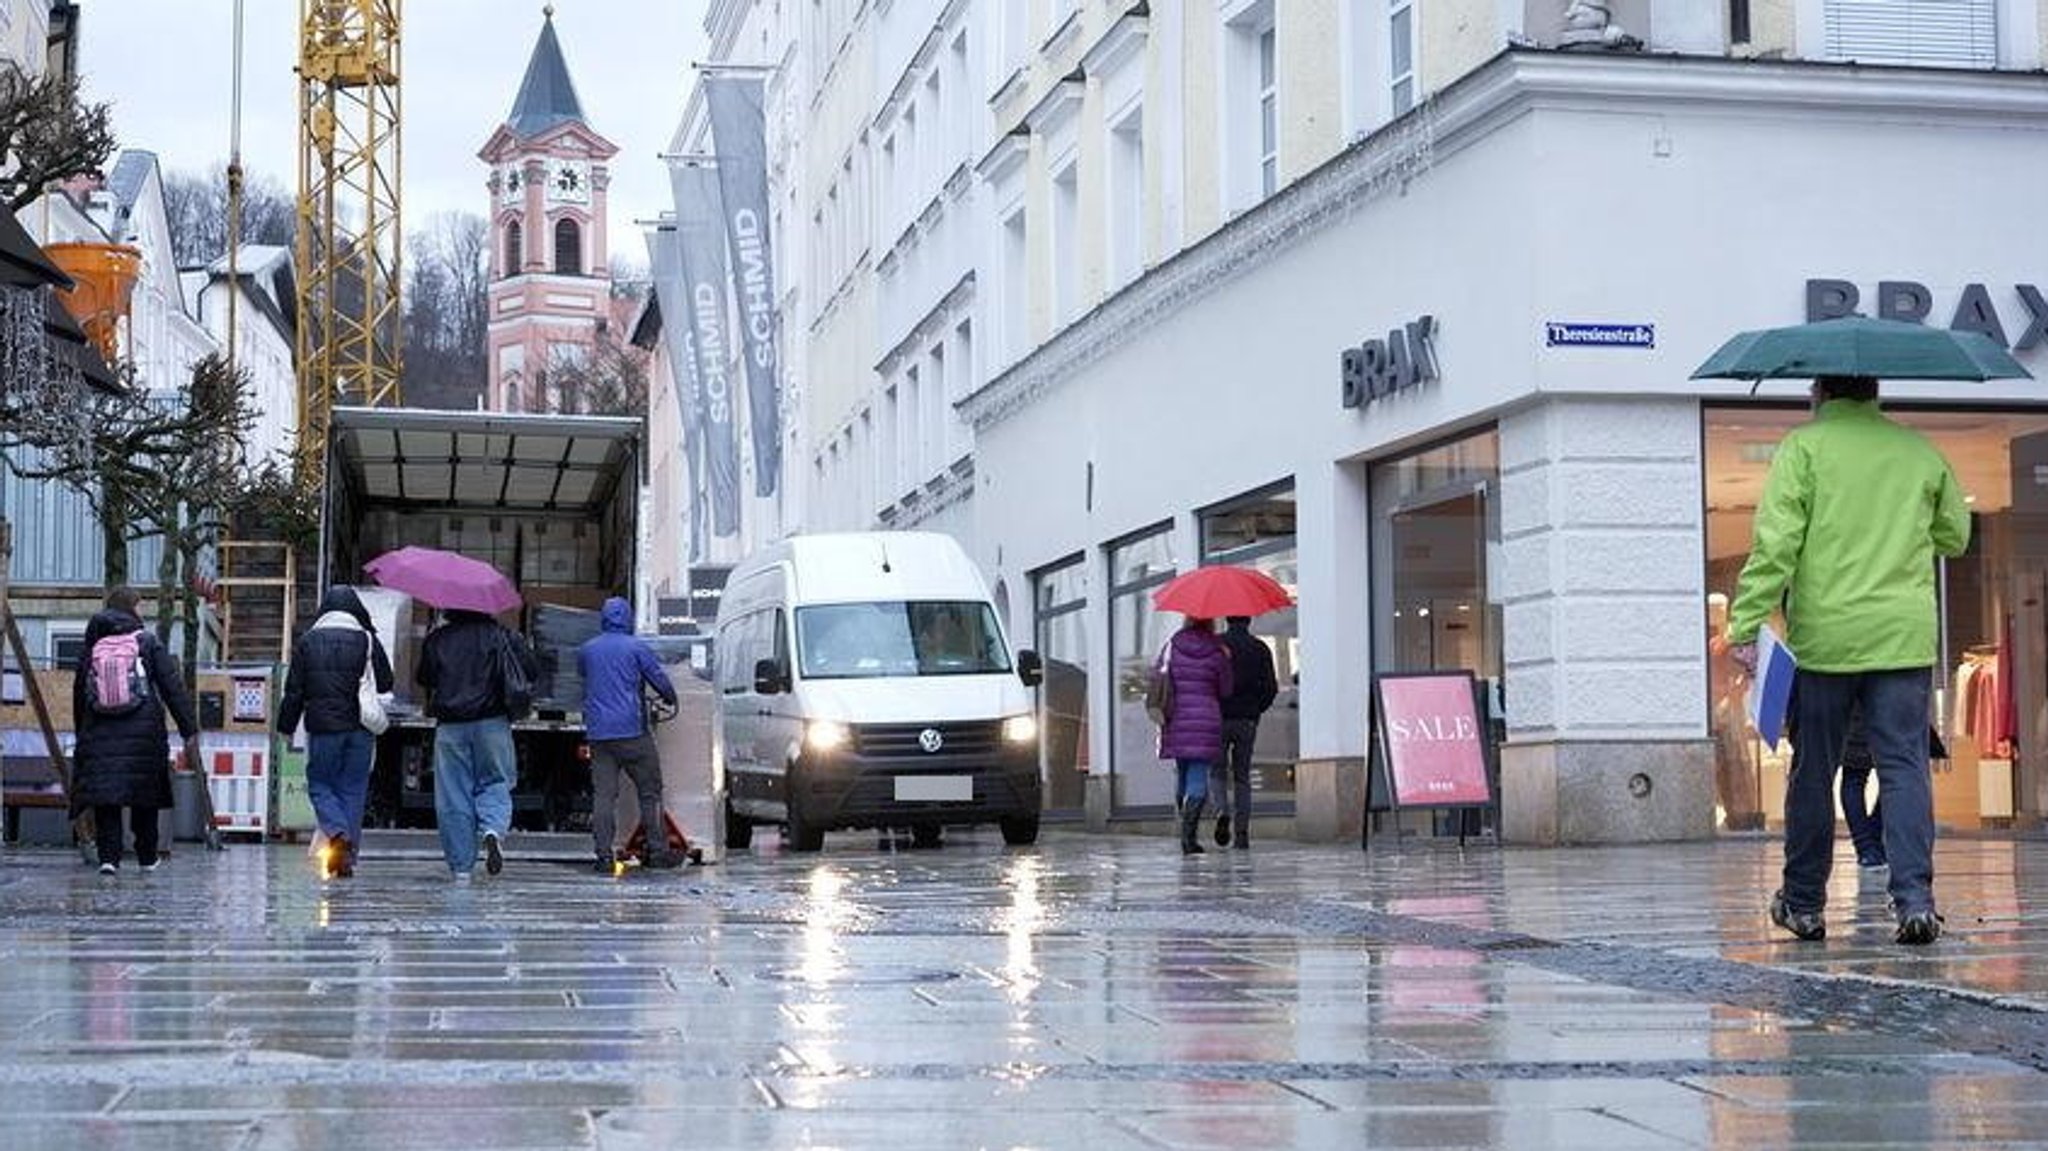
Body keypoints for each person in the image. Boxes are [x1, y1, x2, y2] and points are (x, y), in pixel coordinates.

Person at [1727, 374, 1969, 946]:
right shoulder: (1918, 450)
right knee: (1904, 767)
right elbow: (1955, 536)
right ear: (1874, 393)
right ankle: (1915, 901)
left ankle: (1805, 904)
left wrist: (1745, 624)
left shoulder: (1804, 448)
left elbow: (1776, 545)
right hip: (1902, 639)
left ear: (1820, 394)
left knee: (1815, 768)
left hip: (1827, 640)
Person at [70, 587, 200, 876]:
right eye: (140, 607)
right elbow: (172, 687)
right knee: (145, 797)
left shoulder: (93, 646)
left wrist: (83, 732)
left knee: (107, 799)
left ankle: (109, 859)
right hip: (144, 733)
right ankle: (146, 857)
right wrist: (188, 727)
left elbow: (79, 691)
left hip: (99, 732)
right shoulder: (147, 642)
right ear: (132, 608)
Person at [276, 586, 394, 878]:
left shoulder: (308, 641)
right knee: (353, 789)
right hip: (361, 728)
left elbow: (294, 692)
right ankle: (346, 858)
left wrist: (286, 727)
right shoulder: (367, 639)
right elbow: (386, 682)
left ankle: (337, 833)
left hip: (324, 728)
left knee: (320, 785)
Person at [417, 608, 536, 880]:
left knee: (453, 793)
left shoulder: (439, 639)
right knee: (495, 780)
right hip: (492, 723)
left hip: (450, 727)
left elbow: (424, 677)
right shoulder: (502, 636)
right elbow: (531, 669)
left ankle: (461, 868)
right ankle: (493, 829)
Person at [577, 596, 679, 873]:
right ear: (628, 618)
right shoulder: (637, 648)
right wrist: (670, 697)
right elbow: (658, 679)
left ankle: (603, 856)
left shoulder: (587, 650)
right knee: (650, 792)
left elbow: (584, 679)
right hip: (632, 732)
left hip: (599, 734)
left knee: (604, 796)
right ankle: (658, 852)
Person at [1156, 616, 1233, 856]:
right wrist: (1226, 661)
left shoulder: (1172, 646)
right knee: (1199, 774)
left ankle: (1184, 824)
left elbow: (1158, 676)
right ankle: (1188, 837)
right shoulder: (1217, 651)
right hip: (1206, 719)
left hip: (1177, 717)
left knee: (1182, 770)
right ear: (1210, 624)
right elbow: (1226, 689)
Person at [1211, 616, 1278, 850]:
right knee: (1242, 777)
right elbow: (1271, 688)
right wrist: (1256, 709)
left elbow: (1208, 681)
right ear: (1249, 621)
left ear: (1228, 621)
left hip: (1218, 718)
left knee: (1217, 773)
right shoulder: (1260, 648)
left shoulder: (1216, 646)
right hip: (1247, 720)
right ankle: (1241, 834)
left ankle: (1221, 811)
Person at [1838, 705, 1886, 871]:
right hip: (1888, 704)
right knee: (1896, 778)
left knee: (1853, 778)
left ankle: (1866, 848)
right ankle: (1871, 838)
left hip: (1849, 706)